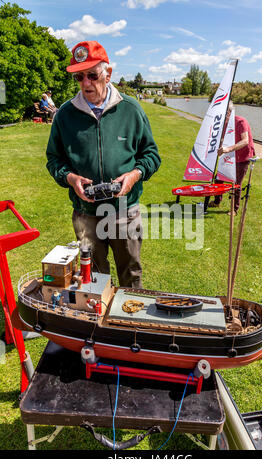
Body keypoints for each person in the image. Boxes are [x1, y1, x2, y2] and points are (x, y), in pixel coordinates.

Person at [46, 41, 161, 288]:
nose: (86, 82)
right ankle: (98, 325)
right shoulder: (64, 115)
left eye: (92, 75)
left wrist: (134, 175)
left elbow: (151, 154)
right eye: (79, 77)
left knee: (130, 274)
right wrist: (70, 178)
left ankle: (130, 324)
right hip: (85, 214)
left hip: (124, 212)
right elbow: (54, 159)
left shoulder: (131, 109)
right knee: (94, 276)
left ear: (108, 74)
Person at [208, 101, 255, 215]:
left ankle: (234, 209)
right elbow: (223, 139)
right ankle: (217, 201)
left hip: (243, 156)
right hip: (230, 154)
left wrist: (228, 149)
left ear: (229, 112)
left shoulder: (240, 122)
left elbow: (245, 141)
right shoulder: (224, 123)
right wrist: (219, 148)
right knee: (218, 178)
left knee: (236, 182)